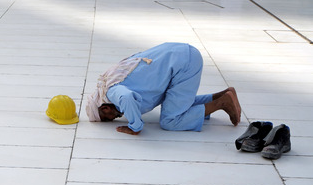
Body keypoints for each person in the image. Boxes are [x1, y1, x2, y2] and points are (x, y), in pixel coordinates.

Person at [86, 42, 241, 135]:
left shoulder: (112, 91)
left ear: (105, 109)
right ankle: (223, 95)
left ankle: (223, 103)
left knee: (170, 121)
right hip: (183, 55)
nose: (116, 118)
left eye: (109, 118)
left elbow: (126, 98)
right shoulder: (110, 79)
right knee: (175, 106)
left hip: (183, 65)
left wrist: (135, 126)